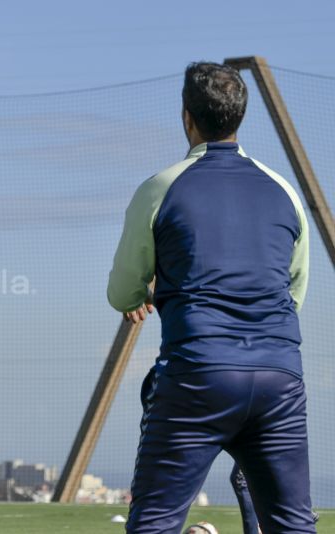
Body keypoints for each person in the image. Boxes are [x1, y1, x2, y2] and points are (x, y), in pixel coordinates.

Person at [108, 62, 316, 533]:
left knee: (155, 524)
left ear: (187, 117)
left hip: (199, 374)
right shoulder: (284, 190)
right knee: (293, 526)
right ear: (240, 116)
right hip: (278, 377)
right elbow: (294, 293)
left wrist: (144, 290)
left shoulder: (161, 187)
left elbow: (122, 291)